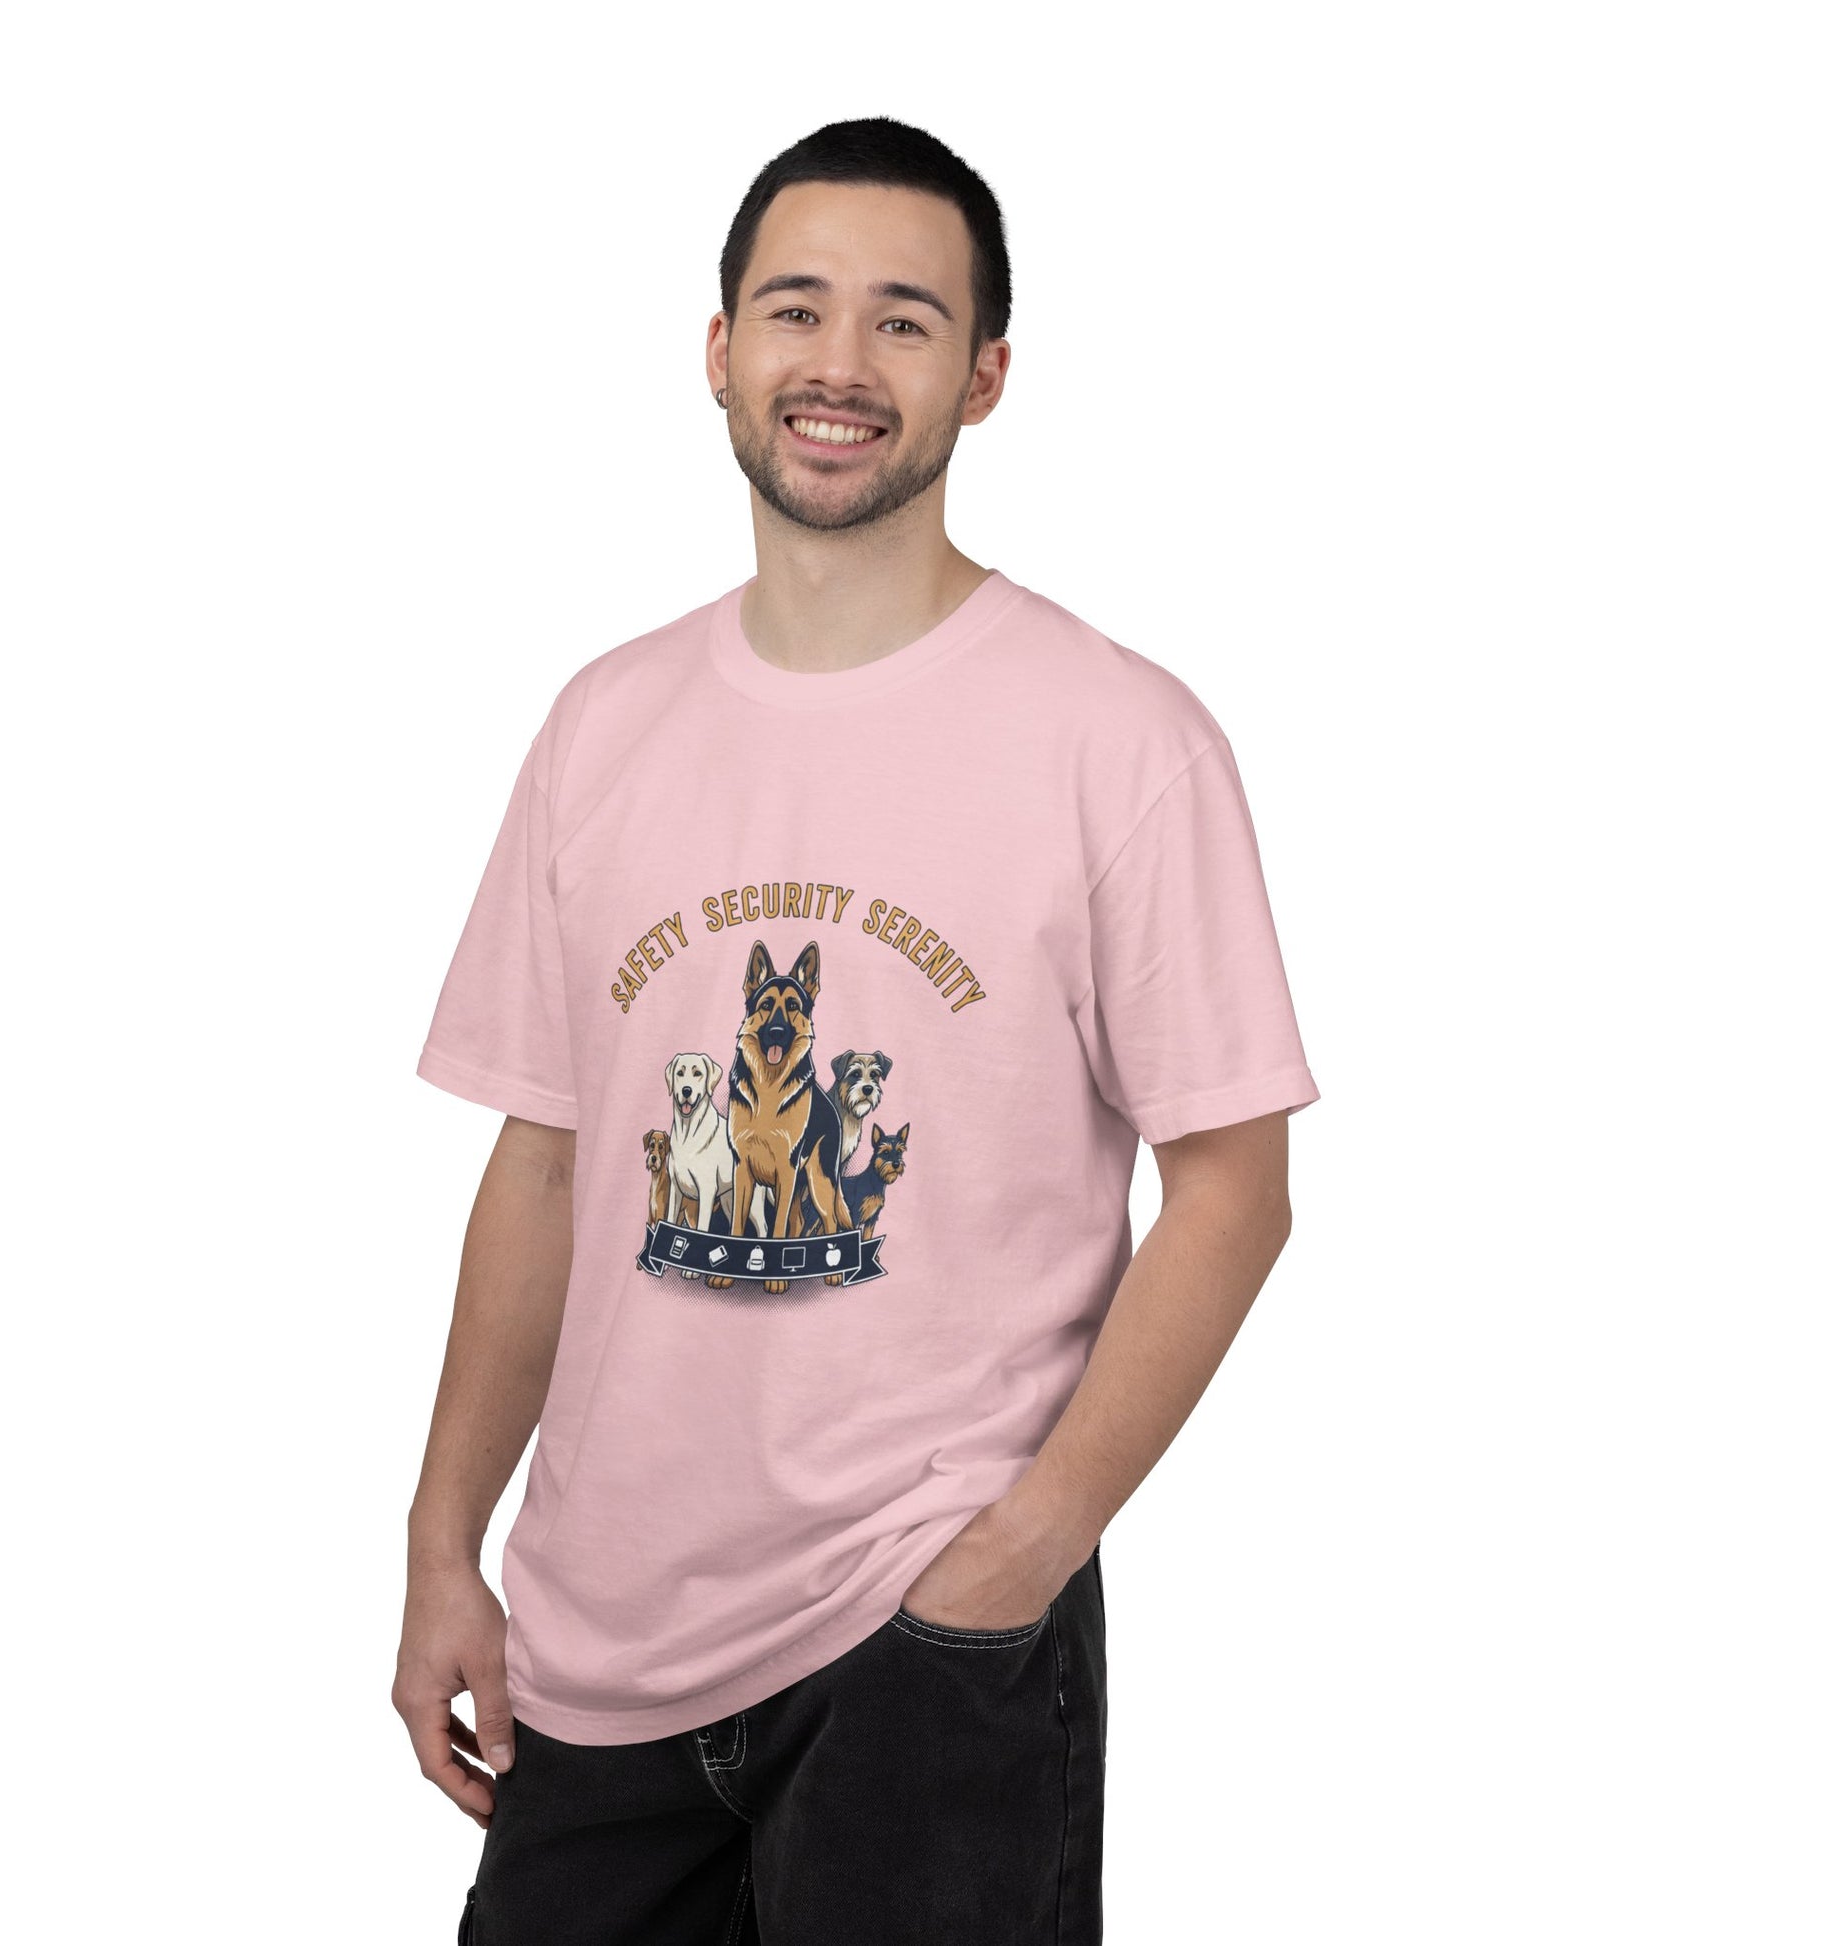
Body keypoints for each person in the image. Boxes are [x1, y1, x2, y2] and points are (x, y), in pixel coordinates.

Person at [393, 115, 1319, 1945]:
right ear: (717, 348)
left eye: (904, 320)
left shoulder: (1117, 739)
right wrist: (442, 1542)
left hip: (926, 1635)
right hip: (596, 1637)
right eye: (795, 308)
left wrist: (1023, 1550)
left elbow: (1233, 1185)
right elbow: (546, 1157)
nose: (838, 362)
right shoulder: (604, 724)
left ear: (984, 376)